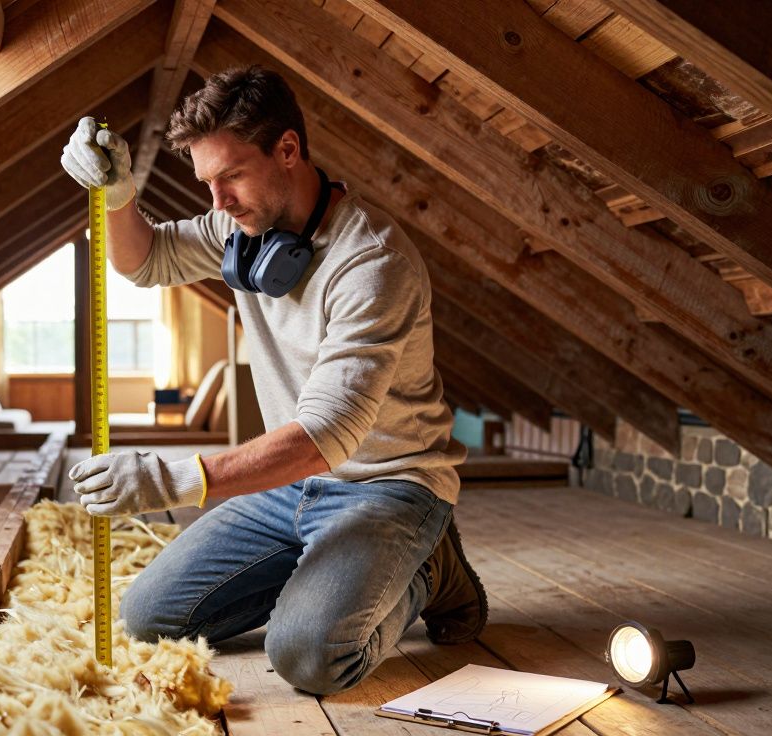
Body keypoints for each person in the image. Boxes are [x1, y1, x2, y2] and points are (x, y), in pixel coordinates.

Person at [58, 65, 486, 695]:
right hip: (294, 485)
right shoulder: (241, 229)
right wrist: (120, 196)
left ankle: (431, 569)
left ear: (287, 150)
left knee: (310, 656)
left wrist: (170, 478)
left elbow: (325, 435)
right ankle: (334, 568)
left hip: (388, 485)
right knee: (149, 617)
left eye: (230, 175)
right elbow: (145, 259)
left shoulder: (371, 263)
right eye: (206, 182)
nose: (218, 202)